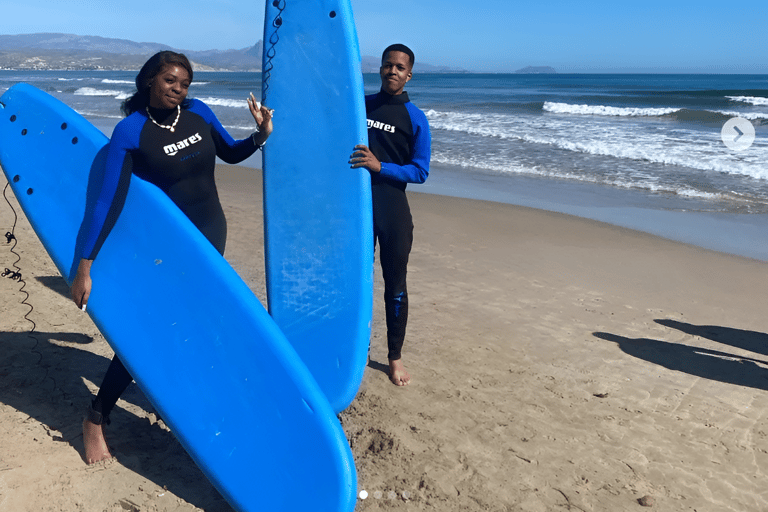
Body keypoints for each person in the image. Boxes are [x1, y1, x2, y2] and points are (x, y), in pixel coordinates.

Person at [70, 51, 273, 464]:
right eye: (170, 81)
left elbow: (231, 153)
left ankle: (175, 397)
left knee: (196, 321)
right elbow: (108, 200)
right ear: (149, 81)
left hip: (211, 235)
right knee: (153, 327)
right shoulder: (131, 131)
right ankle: (95, 417)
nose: (178, 89)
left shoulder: (198, 113)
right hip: (169, 247)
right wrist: (85, 265)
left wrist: (261, 133)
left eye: (184, 83)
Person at [348, 44, 431, 387]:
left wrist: (381, 167)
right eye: (387, 65)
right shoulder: (360, 106)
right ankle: (357, 348)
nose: (392, 71)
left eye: (400, 67)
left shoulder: (415, 118)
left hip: (393, 210)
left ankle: (394, 358)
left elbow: (420, 171)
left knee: (394, 287)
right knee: (357, 282)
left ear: (409, 74)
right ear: (379, 69)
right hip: (357, 209)